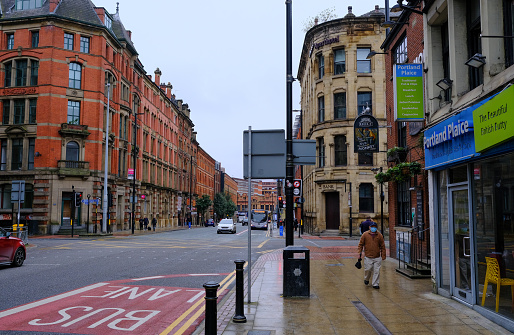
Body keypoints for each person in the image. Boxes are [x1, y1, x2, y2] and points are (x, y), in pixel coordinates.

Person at [357, 222, 386, 289]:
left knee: (376, 271)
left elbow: (382, 246)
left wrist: (383, 255)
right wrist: (359, 253)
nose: (373, 228)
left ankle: (375, 284)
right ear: (369, 227)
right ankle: (366, 279)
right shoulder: (365, 234)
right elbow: (360, 244)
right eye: (372, 227)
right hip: (368, 256)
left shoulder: (379, 235)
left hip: (377, 256)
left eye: (375, 227)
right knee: (368, 269)